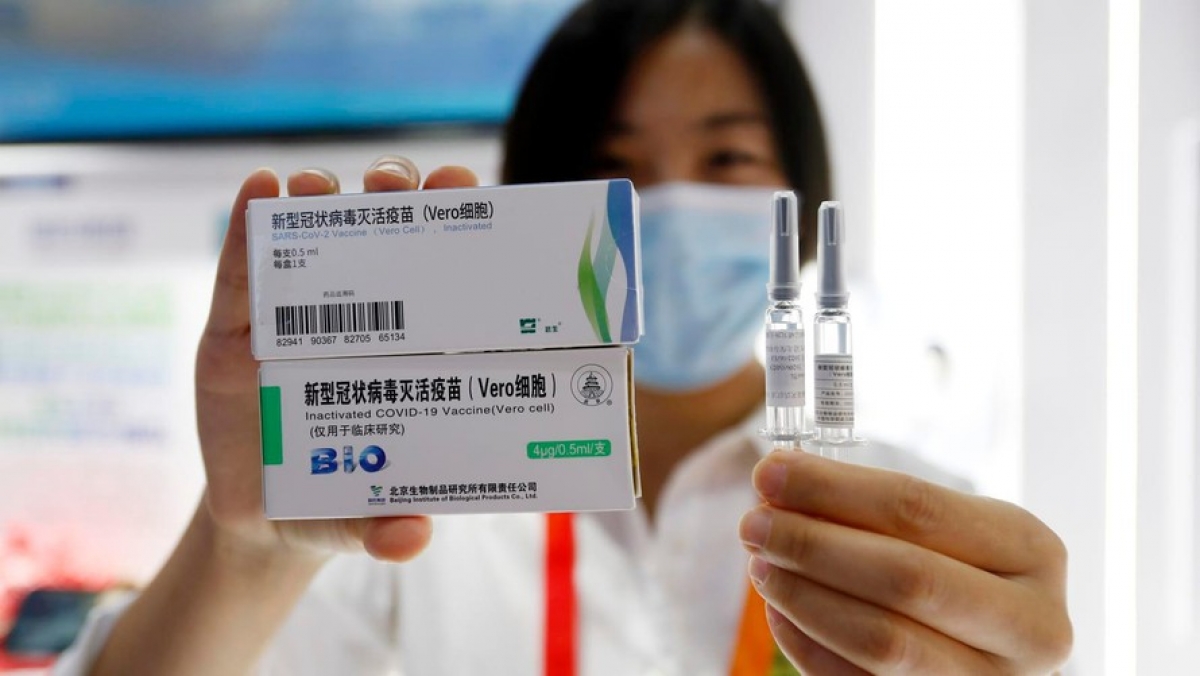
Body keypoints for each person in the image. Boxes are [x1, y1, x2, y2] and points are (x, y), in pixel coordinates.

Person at [58, 1, 1072, 674]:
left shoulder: (910, 526)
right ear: (533, 206)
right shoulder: (408, 500)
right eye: (612, 168)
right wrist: (242, 548)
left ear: (801, 198)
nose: (668, 205)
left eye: (727, 158)